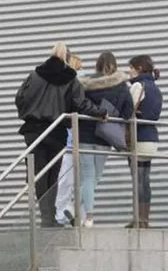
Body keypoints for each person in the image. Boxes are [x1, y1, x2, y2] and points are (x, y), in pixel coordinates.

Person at [15, 41, 107, 227]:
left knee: (39, 174)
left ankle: (46, 218)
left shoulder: (34, 75)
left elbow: (19, 98)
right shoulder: (70, 79)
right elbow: (81, 104)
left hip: (34, 131)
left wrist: (29, 113)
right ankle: (50, 218)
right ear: (67, 58)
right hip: (56, 131)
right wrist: (100, 112)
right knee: (52, 176)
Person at [54, 52, 134, 228]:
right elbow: (128, 112)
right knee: (94, 177)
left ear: (97, 64)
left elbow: (77, 104)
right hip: (105, 138)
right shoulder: (121, 86)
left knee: (88, 176)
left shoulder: (85, 83)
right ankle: (82, 213)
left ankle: (83, 214)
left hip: (83, 135)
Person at [125, 55, 163, 229]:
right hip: (152, 139)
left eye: (131, 68)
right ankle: (144, 219)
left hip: (138, 138)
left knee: (137, 180)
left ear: (139, 68)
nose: (129, 71)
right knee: (145, 180)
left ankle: (139, 220)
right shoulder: (155, 88)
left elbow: (128, 111)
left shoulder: (138, 86)